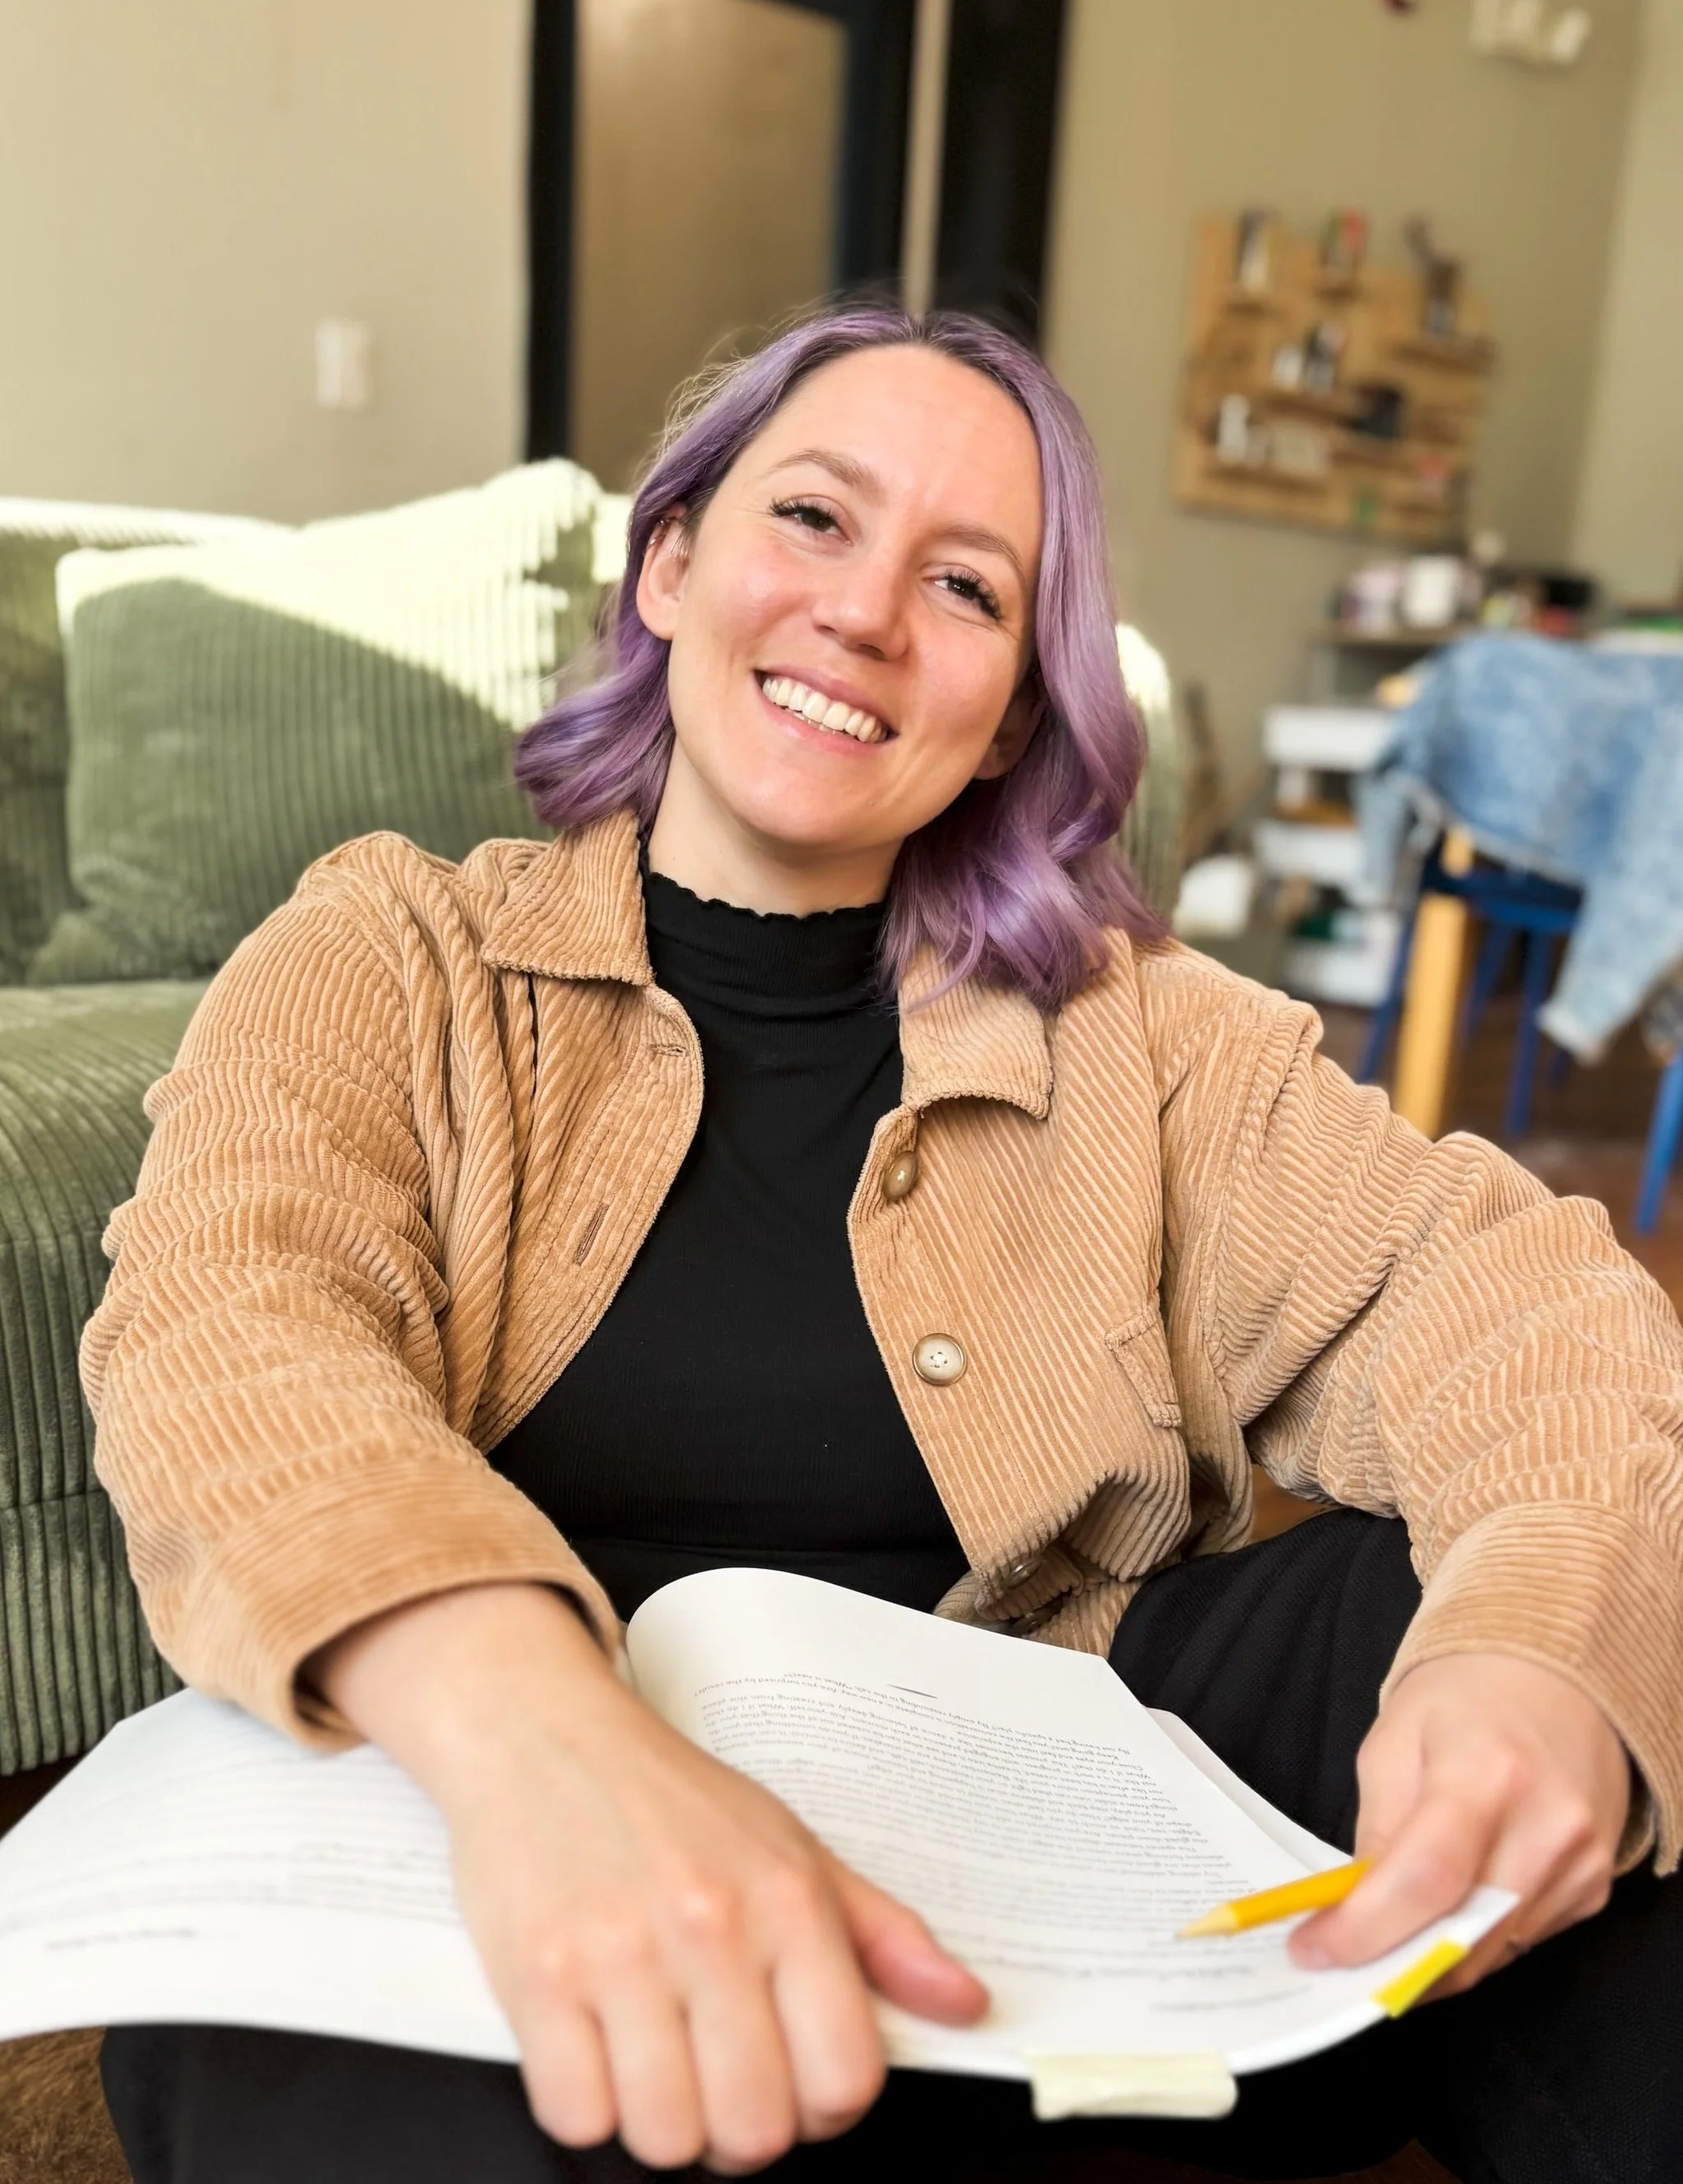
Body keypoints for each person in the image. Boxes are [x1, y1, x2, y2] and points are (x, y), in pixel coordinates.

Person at [90, 307, 1682, 2184]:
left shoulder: (1147, 1039)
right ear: (671, 565)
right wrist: (541, 1747)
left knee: (1573, 1653)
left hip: (1054, 1825)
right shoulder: (391, 954)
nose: (862, 613)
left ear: (1008, 712)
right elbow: (234, 1331)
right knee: (287, 2034)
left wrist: (1548, 1644)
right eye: (815, 518)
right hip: (505, 1810)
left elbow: (1507, 1300)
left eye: (964, 585)